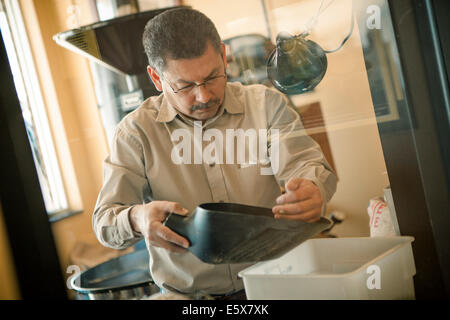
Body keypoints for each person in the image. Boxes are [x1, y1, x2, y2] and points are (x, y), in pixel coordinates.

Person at [93, 7, 337, 299]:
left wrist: (311, 188)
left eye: (211, 77)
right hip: (191, 299)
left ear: (223, 55)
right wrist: (137, 218)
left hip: (275, 287)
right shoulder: (135, 133)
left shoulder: (266, 105)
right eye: (185, 86)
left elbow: (307, 165)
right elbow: (105, 221)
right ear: (157, 79)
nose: (204, 96)